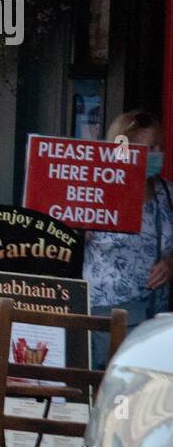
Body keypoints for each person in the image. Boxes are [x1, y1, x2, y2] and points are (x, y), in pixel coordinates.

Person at [84, 110, 173, 368]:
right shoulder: (96, 190)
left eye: (160, 146)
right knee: (105, 385)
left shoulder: (166, 193)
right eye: (149, 147)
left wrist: (170, 263)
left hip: (154, 314)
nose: (158, 153)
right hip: (106, 311)